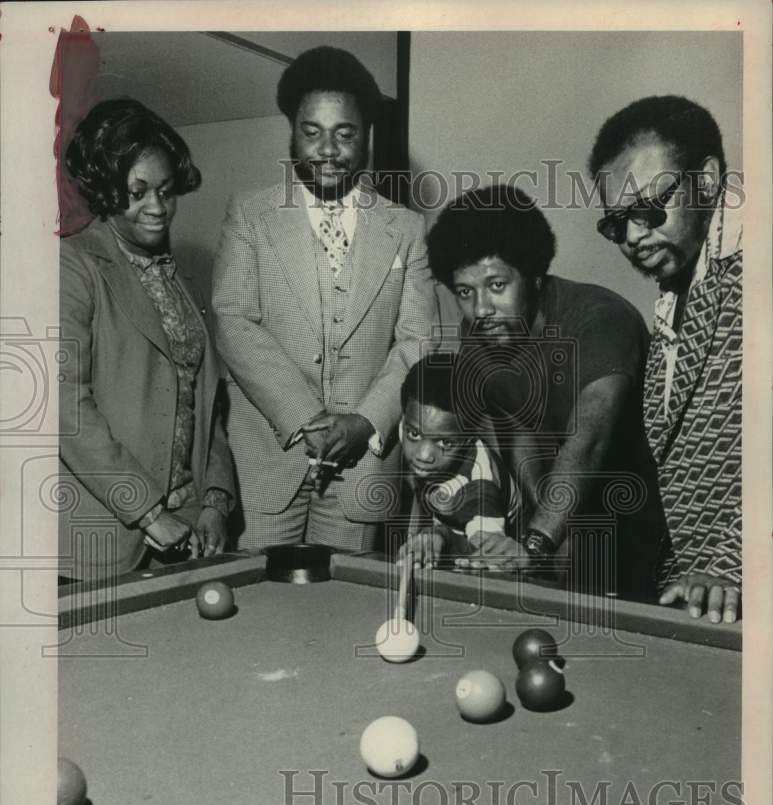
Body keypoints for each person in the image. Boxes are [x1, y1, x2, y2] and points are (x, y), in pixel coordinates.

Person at [212, 46, 437, 553]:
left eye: (345, 133)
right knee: (264, 607)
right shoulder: (250, 215)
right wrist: (303, 419)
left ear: (367, 136)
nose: (328, 149)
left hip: (365, 466)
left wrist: (365, 423)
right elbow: (234, 323)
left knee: (343, 613)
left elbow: (417, 341)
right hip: (268, 460)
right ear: (292, 131)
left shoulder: (405, 228)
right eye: (312, 132)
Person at [426, 184, 660, 599]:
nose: (480, 310)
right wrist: (538, 534)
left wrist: (536, 543)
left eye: (497, 285)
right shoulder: (482, 336)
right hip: (567, 511)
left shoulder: (600, 319)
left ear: (533, 275)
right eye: (466, 291)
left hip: (648, 515)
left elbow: (588, 441)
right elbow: (516, 427)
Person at [59, 98, 234, 582]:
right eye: (137, 193)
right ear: (103, 191)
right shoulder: (71, 265)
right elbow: (65, 408)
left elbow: (206, 401)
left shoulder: (181, 281)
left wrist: (216, 499)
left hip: (186, 532)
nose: (157, 208)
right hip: (104, 541)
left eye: (166, 190)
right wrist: (149, 512)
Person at [588, 96, 741, 623]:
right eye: (616, 223)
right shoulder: (680, 283)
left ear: (707, 180)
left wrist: (736, 561)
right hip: (693, 597)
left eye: (650, 208)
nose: (632, 236)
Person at [396, 353, 521, 567]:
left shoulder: (480, 486)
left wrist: (440, 536)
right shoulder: (408, 426)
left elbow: (486, 553)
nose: (423, 456)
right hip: (446, 516)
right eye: (414, 434)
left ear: (468, 439)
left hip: (497, 541)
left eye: (444, 442)